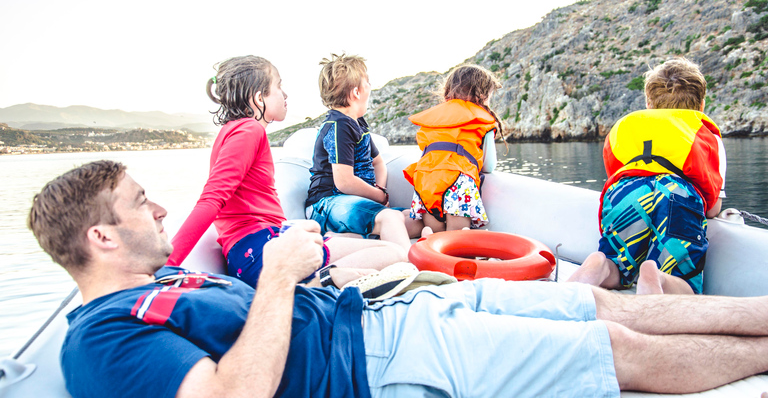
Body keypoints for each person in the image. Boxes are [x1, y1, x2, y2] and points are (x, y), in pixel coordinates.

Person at [27, 160, 768, 398]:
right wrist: (281, 275)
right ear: (100, 238)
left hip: (382, 313)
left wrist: (305, 270)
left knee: (591, 299)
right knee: (613, 345)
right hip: (376, 364)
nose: (159, 208)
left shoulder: (162, 284)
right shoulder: (101, 340)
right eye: (138, 204)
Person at [167, 56, 405, 288]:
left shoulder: (232, 130)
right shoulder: (249, 130)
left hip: (261, 247)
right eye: (278, 86)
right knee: (394, 253)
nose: (285, 94)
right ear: (259, 97)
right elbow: (212, 198)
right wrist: (168, 266)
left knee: (351, 239)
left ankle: (326, 277)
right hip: (261, 253)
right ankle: (320, 282)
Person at [569, 58, 726, 295]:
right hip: (678, 194)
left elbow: (620, 175)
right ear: (701, 105)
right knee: (685, 283)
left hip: (627, 191)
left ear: (648, 104)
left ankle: (600, 264)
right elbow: (712, 209)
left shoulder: (625, 129)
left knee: (616, 263)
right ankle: (658, 277)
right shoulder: (707, 137)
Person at [305, 53, 420, 250]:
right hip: (326, 204)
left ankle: (352, 239)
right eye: (367, 82)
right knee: (391, 217)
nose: (370, 87)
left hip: (356, 202)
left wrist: (380, 192)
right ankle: (405, 267)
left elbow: (378, 163)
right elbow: (344, 182)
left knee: (415, 218)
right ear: (357, 92)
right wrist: (379, 197)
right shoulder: (339, 125)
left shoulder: (358, 124)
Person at [403, 64, 503, 235]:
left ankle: (427, 239)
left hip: (427, 179)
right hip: (458, 180)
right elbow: (489, 166)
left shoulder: (435, 119)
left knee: (434, 231)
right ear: (483, 95)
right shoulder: (482, 120)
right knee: (456, 236)